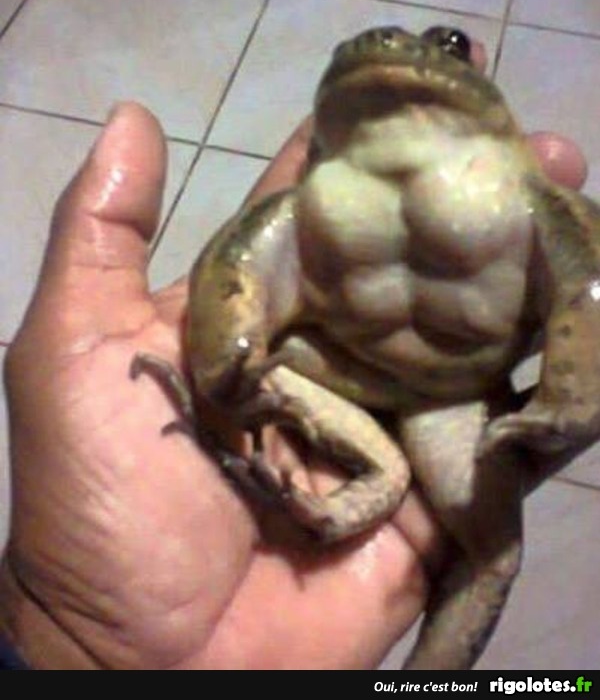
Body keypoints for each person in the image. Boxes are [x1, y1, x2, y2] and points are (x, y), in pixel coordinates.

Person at [0, 97, 588, 669]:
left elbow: (582, 285)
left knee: (488, 558)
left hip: (449, 393)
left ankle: (329, 508)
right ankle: (304, 484)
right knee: (451, 527)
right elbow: (248, 269)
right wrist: (73, 644)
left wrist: (567, 396)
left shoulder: (520, 207)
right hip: (323, 353)